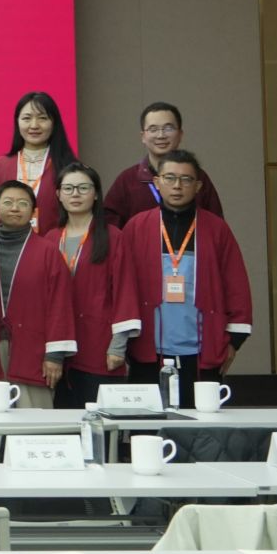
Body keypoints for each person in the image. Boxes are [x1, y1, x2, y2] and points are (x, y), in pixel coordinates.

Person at [112, 150, 252, 405]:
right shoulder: (136, 227)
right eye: (170, 178)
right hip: (148, 351)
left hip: (202, 352)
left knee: (201, 423)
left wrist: (233, 341)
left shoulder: (216, 229)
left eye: (186, 179)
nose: (177, 186)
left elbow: (236, 285)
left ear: (198, 186)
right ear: (157, 182)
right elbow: (122, 288)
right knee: (148, 422)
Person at [0, 181, 76, 410]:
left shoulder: (48, 251)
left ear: (33, 212)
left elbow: (60, 305)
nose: (15, 208)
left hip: (33, 348)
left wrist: (55, 356)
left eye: (23, 203)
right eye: (8, 202)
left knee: (34, 419)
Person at [50, 163, 137, 407]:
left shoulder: (113, 237)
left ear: (96, 194)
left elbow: (125, 293)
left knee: (100, 421)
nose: (75, 194)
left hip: (99, 347)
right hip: (58, 350)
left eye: (83, 188)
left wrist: (118, 347)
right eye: (68, 188)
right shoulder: (51, 238)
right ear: (58, 194)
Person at [103, 102, 225, 227]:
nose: (161, 136)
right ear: (143, 136)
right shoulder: (127, 180)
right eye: (153, 129)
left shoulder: (197, 176)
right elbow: (109, 228)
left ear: (180, 134)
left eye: (168, 128)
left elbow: (216, 226)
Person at [0, 92, 78, 232]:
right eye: (27, 118)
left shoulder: (70, 168)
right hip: (6, 243)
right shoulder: (0, 166)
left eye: (42, 118)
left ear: (54, 123)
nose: (34, 125)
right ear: (17, 122)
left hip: (55, 243)